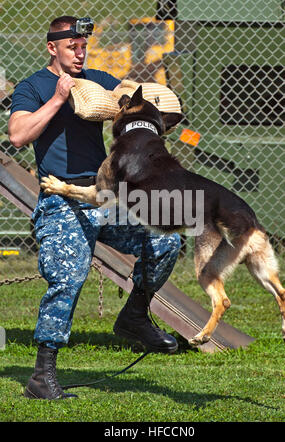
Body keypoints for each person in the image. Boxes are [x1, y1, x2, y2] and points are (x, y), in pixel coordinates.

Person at [8, 16, 180, 400]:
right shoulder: (33, 87)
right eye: (73, 47)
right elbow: (18, 135)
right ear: (52, 48)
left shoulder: (96, 78)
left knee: (165, 240)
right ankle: (41, 376)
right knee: (68, 277)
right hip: (61, 198)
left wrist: (146, 98)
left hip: (102, 197)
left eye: (84, 46)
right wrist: (57, 98)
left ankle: (135, 315)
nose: (80, 52)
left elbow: (127, 92)